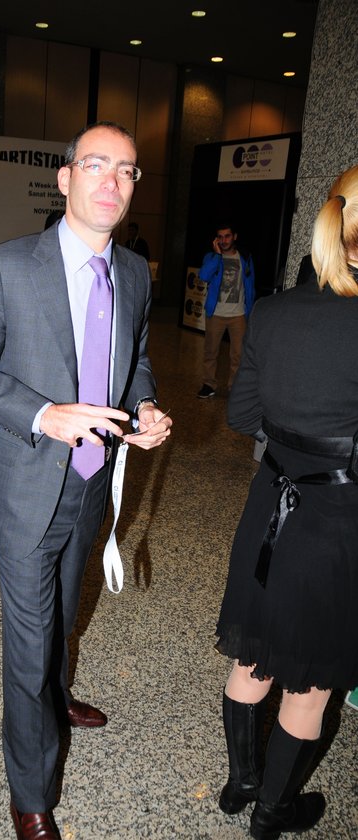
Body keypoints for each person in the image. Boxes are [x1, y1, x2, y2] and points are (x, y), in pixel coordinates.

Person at [0, 120, 172, 840]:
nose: (112, 181)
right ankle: (33, 793)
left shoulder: (134, 271)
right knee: (30, 640)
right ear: (67, 178)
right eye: (96, 165)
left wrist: (144, 406)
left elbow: (134, 357)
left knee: (66, 610)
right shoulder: (9, 266)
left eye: (127, 170)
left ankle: (57, 694)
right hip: (29, 489)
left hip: (94, 482)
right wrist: (44, 413)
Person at [214, 164, 358, 840]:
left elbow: (242, 415)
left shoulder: (272, 311)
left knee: (253, 657)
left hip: (269, 509)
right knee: (310, 684)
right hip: (337, 527)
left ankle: (242, 782)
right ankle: (273, 813)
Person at [197, 223, 255, 398]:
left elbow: (250, 284)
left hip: (238, 314)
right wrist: (217, 255)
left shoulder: (245, 257)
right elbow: (204, 276)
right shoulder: (211, 257)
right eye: (220, 237)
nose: (224, 240)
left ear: (234, 236)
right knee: (210, 352)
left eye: (227, 236)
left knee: (238, 354)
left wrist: (250, 309)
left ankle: (234, 387)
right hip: (216, 313)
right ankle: (209, 384)